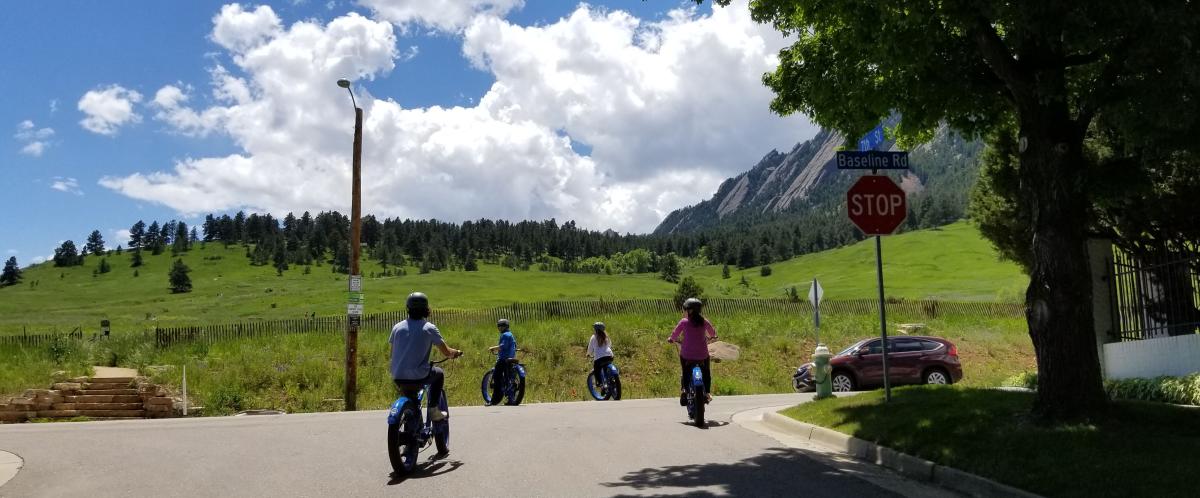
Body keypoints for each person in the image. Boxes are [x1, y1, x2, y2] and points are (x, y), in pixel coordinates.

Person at [390, 292, 462, 430]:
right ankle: (433, 410)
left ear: (408, 308)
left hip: (398, 375)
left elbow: (392, 353)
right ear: (426, 309)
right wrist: (456, 353)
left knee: (411, 399)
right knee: (439, 373)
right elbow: (446, 352)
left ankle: (411, 422)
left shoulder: (397, 327)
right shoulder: (429, 328)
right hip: (419, 375)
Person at [667, 298, 717, 405]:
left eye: (685, 310)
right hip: (702, 355)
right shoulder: (704, 321)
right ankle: (707, 393)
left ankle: (684, 390)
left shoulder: (684, 322)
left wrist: (671, 339)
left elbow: (675, 333)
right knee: (706, 372)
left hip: (687, 355)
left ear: (689, 311)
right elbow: (712, 333)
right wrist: (713, 336)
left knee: (685, 371)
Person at [487, 318, 518, 406]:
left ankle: (494, 401)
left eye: (501, 326)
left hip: (503, 359)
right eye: (499, 326)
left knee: (497, 378)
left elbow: (502, 346)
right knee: (508, 378)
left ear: (505, 327)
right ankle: (510, 399)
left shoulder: (504, 335)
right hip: (511, 359)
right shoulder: (511, 334)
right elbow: (513, 345)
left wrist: (493, 348)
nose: (499, 328)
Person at [587, 321, 614, 390]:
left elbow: (590, 348)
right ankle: (611, 379)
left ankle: (600, 384)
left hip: (599, 358)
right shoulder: (606, 336)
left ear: (595, 329)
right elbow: (610, 345)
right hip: (610, 356)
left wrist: (588, 354)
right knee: (606, 366)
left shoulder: (593, 337)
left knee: (597, 370)